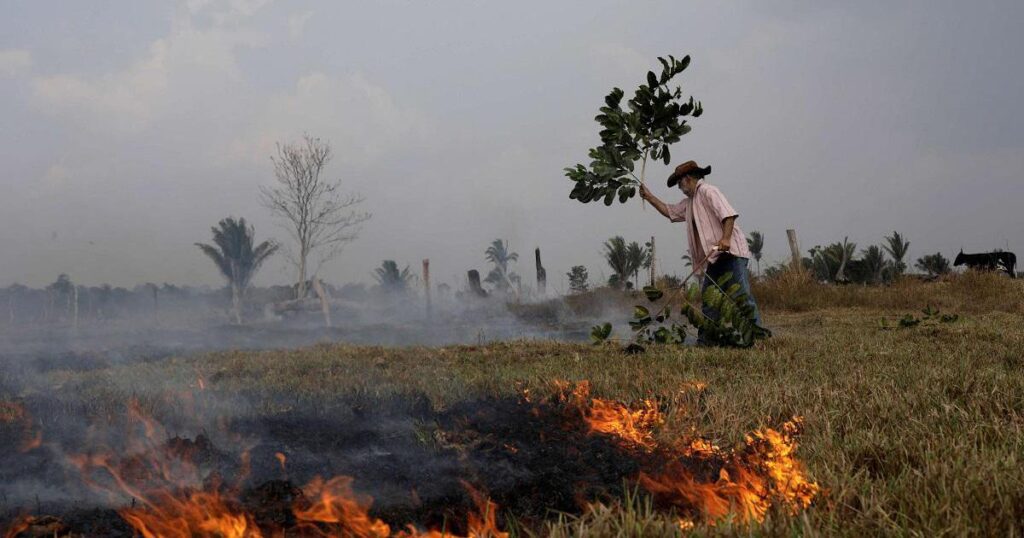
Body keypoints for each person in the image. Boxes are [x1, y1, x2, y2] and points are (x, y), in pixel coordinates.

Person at [639, 160, 762, 344]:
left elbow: (728, 215)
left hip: (732, 254)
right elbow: (670, 211)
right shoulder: (689, 203)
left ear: (687, 179)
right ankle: (707, 341)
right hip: (715, 258)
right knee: (709, 301)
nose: (679, 188)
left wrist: (726, 239)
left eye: (679, 183)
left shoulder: (708, 191)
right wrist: (649, 197)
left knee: (741, 298)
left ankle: (758, 339)